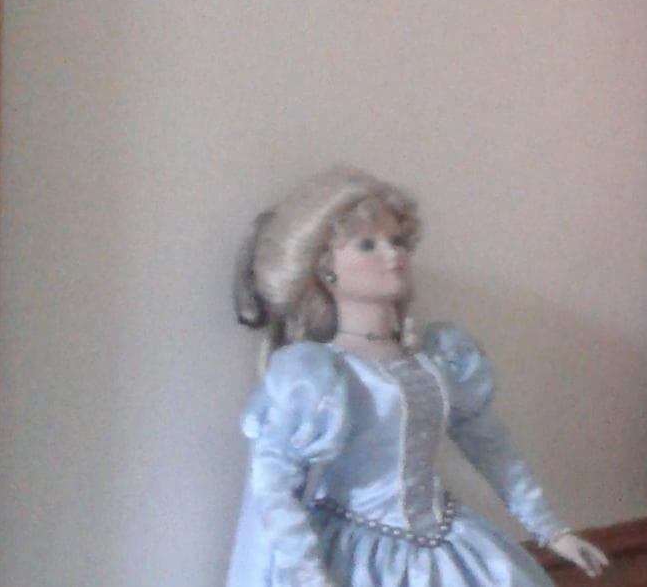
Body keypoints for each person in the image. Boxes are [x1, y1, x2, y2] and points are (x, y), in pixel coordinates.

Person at [224, 167, 609, 587]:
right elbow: (274, 490)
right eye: (367, 245)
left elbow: (489, 444)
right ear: (325, 268)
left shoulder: (440, 356)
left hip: (449, 543)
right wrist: (311, 577)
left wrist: (551, 529)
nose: (393, 255)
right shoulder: (317, 376)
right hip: (358, 558)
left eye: (398, 241)